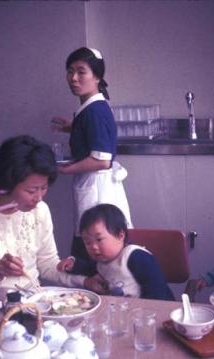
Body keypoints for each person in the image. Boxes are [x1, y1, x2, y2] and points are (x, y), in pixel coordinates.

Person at [0, 135, 105, 293]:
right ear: (6, 183)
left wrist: (85, 282)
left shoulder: (40, 210)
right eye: (31, 190)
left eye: (44, 188)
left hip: (32, 301)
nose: (39, 198)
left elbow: (48, 264)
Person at [51, 47, 132, 262]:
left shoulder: (94, 111)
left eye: (81, 72)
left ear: (97, 76)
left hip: (98, 190)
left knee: (94, 246)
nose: (73, 78)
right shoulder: (90, 108)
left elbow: (102, 160)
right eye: (70, 71)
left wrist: (65, 169)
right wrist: (74, 127)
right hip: (95, 186)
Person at [57, 204, 174, 300]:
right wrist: (73, 264)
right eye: (87, 242)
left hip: (148, 313)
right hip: (120, 313)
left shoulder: (136, 256)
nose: (93, 246)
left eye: (99, 239)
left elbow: (157, 289)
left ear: (120, 235)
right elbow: (90, 268)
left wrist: (147, 314)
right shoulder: (102, 261)